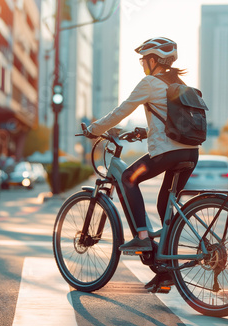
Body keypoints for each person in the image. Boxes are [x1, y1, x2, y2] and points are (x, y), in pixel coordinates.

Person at [85, 37, 200, 291]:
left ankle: (142, 238)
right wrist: (145, 133)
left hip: (168, 154)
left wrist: (94, 130)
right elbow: (174, 125)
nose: (142, 65)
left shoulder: (149, 82)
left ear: (153, 60)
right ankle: (166, 270)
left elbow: (122, 110)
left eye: (143, 60)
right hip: (190, 155)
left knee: (127, 178)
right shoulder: (178, 84)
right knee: (164, 206)